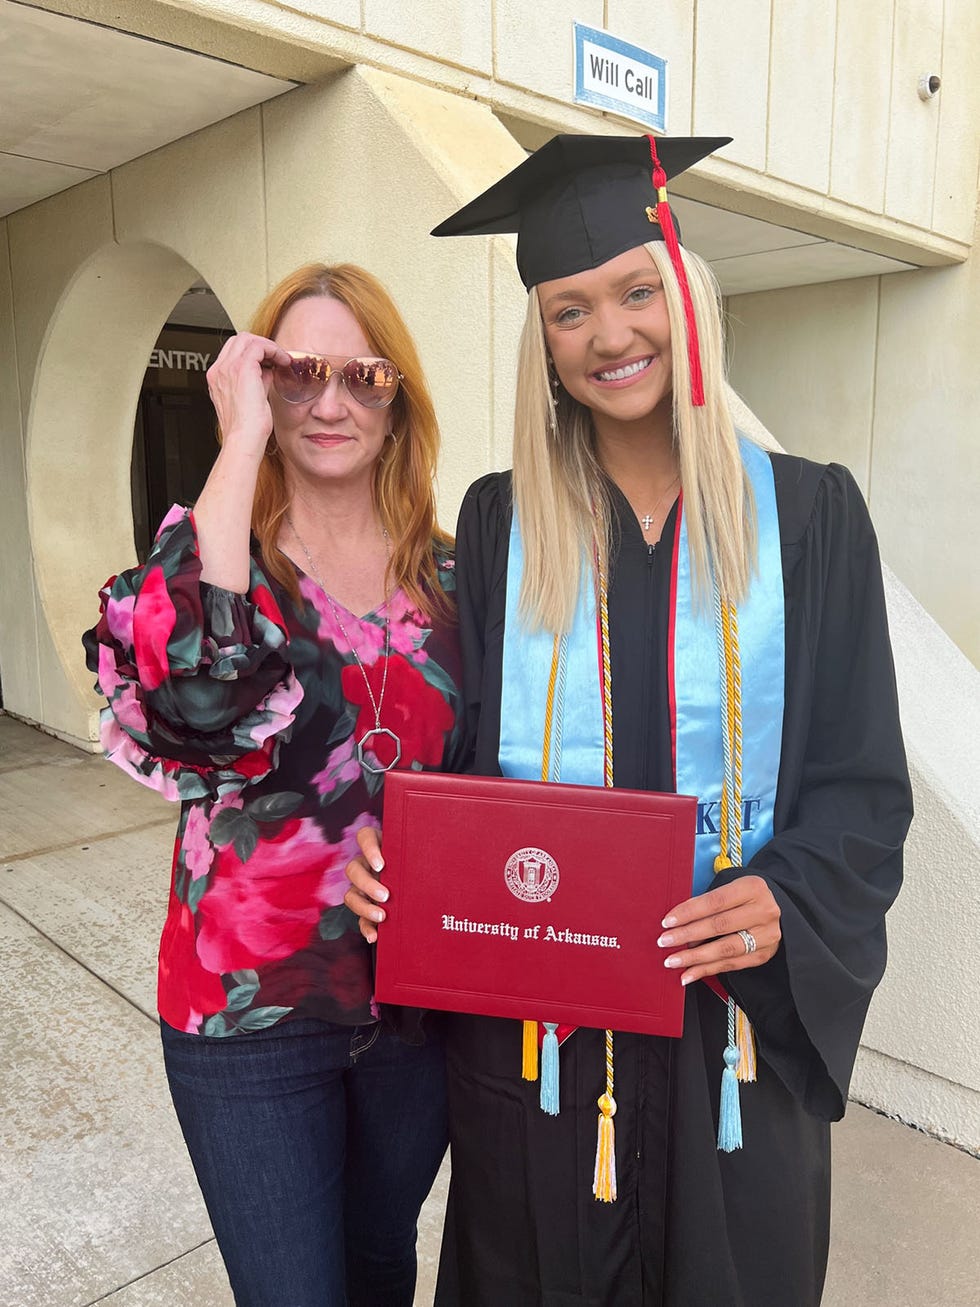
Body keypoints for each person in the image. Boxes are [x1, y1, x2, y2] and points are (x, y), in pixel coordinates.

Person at [345, 136, 913, 1306]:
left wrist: (787, 900)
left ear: (685, 294)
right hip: (541, 1056)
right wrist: (395, 857)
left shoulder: (808, 517)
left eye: (635, 291)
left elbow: (859, 784)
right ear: (540, 348)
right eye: (567, 311)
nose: (608, 336)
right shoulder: (502, 525)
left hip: (732, 1048)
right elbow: (465, 766)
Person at [83, 263, 467, 1307]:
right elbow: (191, 709)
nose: (331, 401)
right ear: (254, 381)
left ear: (398, 402)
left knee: (384, 1259)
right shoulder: (222, 558)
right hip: (245, 1013)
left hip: (415, 1003)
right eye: (297, 372)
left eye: (363, 375)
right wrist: (239, 443)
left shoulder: (460, 574)